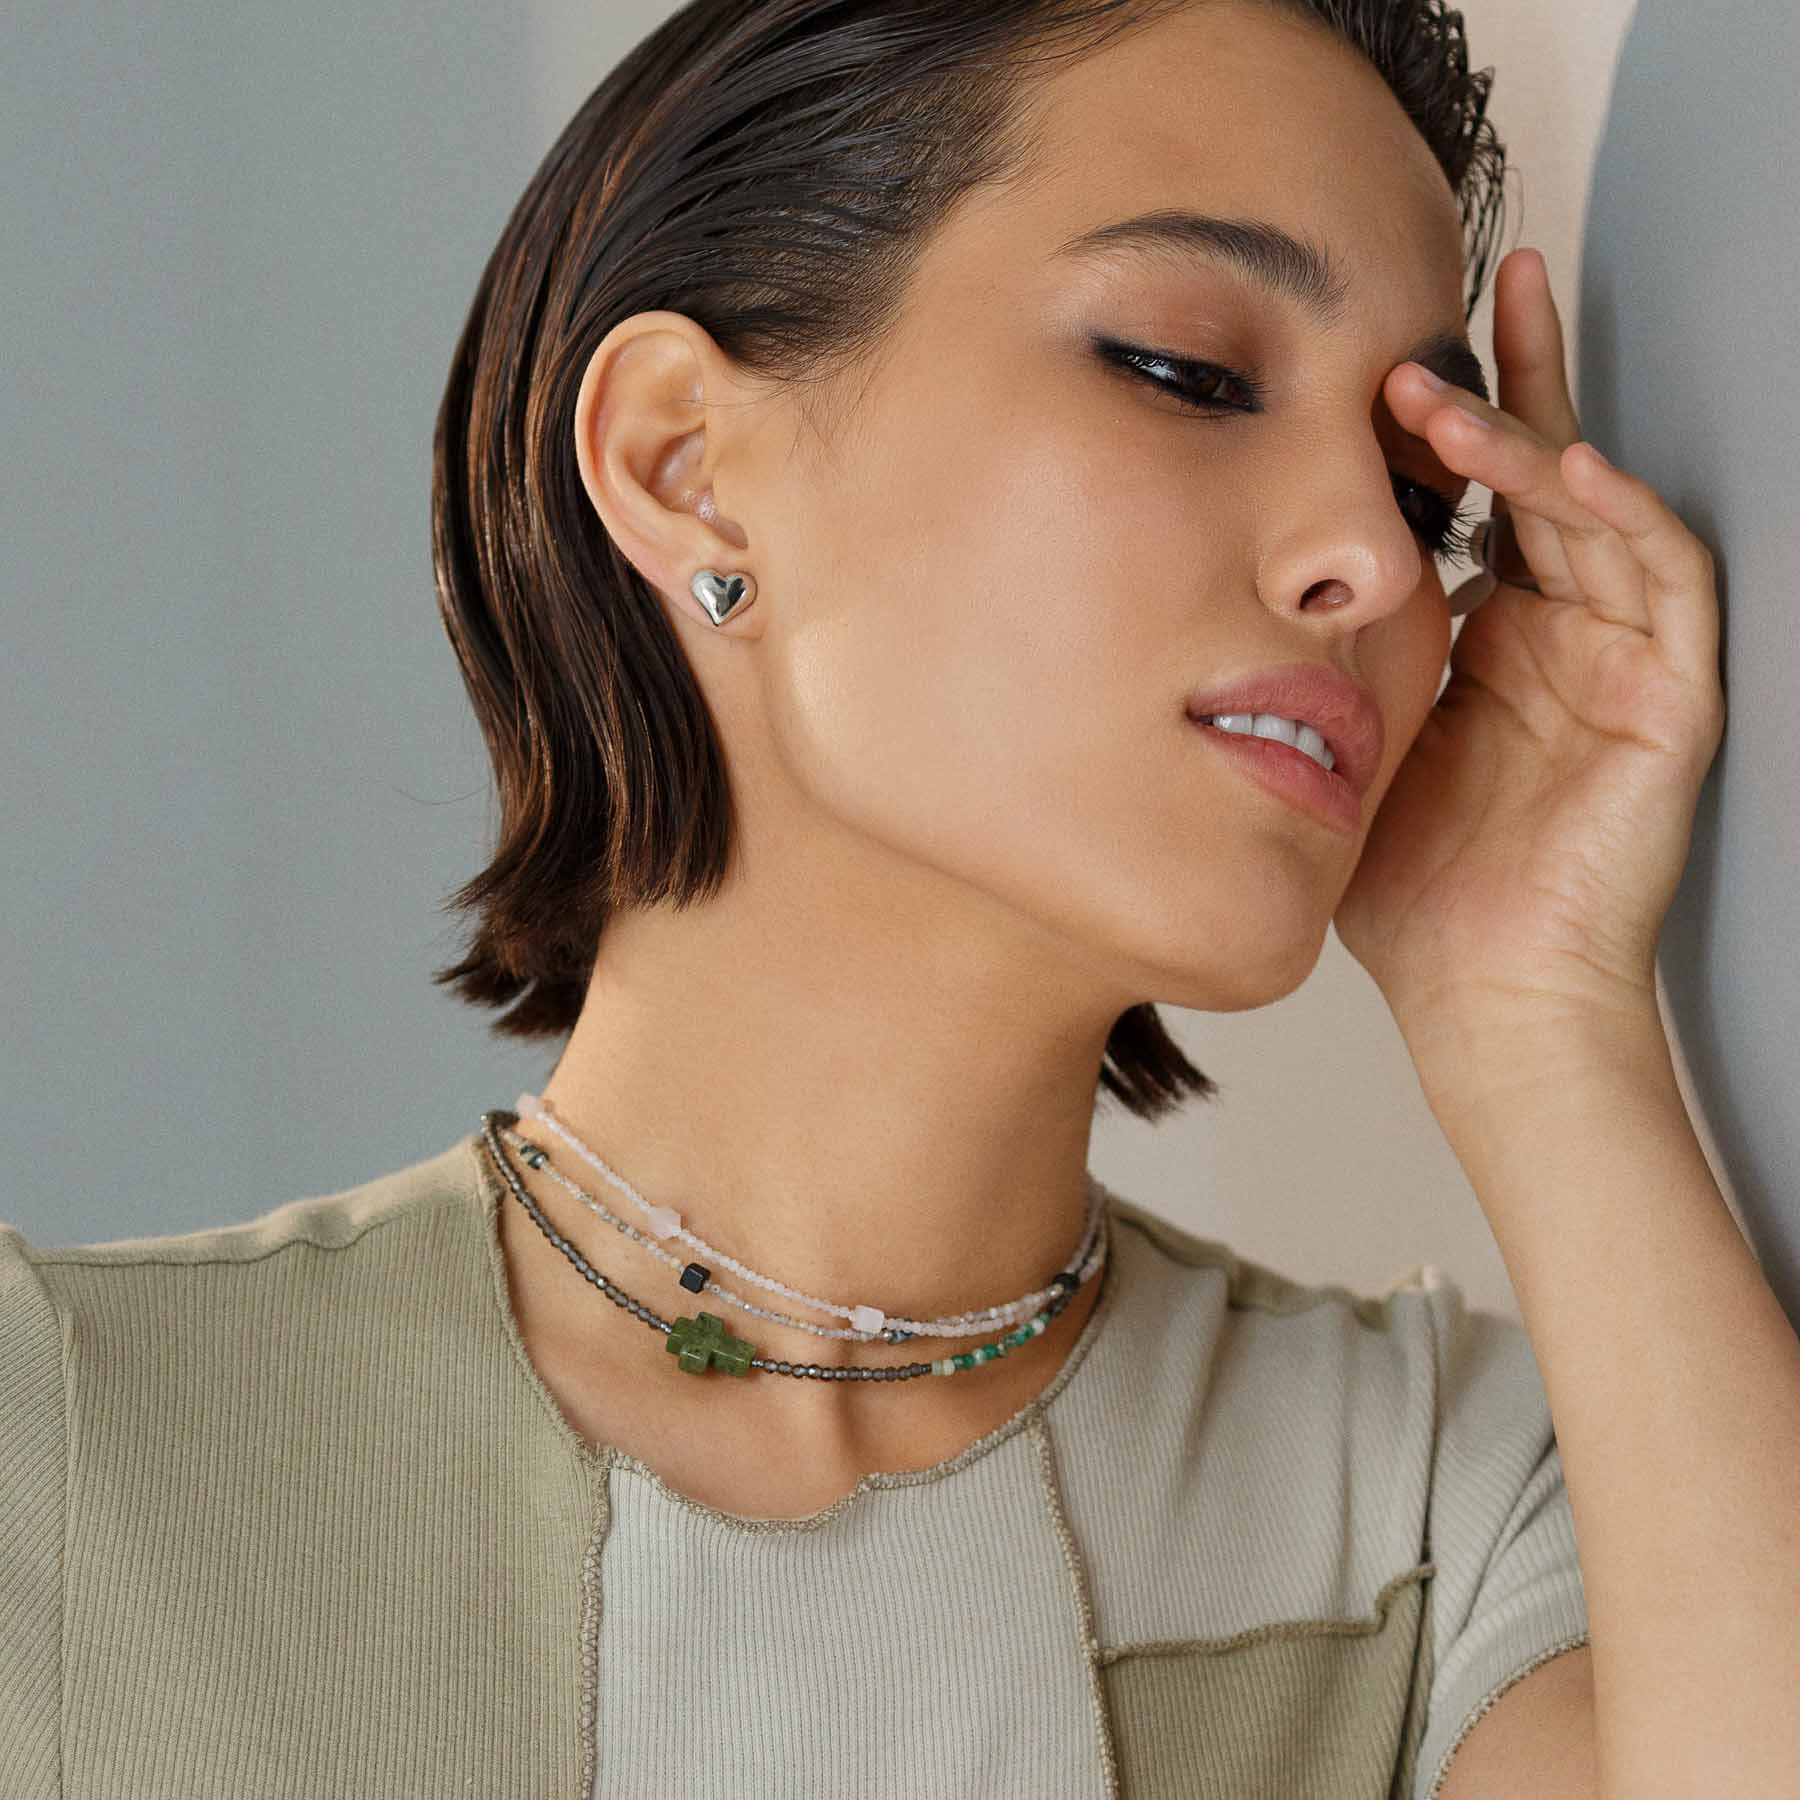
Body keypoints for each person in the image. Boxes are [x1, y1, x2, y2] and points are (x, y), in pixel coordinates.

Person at [2, 1, 1600, 1794]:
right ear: (686, 463)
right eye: (1187, 371)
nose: (1376, 559)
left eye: (1423, 498)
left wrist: (1533, 992)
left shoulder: (1449, 1500)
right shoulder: (50, 1453)